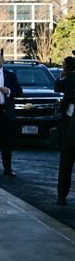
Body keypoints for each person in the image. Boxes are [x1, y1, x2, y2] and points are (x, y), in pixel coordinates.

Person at [54, 56, 75, 205]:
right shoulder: (71, 77)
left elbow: (58, 87)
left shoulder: (71, 77)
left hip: (69, 127)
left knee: (66, 162)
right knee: (66, 162)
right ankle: (62, 194)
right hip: (69, 126)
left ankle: (62, 194)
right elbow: (58, 87)